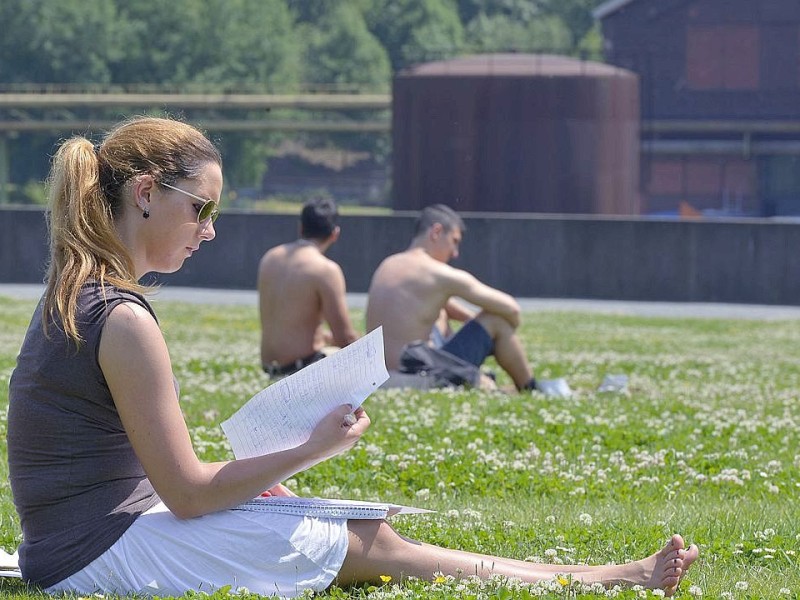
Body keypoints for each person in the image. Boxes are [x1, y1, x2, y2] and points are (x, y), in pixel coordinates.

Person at [6, 116, 697, 598]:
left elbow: (167, 483)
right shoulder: (121, 317)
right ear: (147, 193)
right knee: (361, 544)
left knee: (359, 529)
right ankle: (609, 578)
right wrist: (309, 449)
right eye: (202, 210)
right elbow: (186, 495)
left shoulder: (86, 294)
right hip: (92, 556)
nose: (209, 232)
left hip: (82, 545)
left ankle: (603, 576)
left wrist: (264, 479)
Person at [366, 204, 565, 394]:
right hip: (418, 374)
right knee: (496, 321)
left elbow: (436, 304)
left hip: (384, 375)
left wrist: (470, 321)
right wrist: (489, 329)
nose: (455, 253)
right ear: (436, 232)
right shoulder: (439, 274)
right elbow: (512, 309)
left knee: (441, 313)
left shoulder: (389, 264)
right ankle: (530, 388)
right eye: (454, 241)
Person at [258, 197, 359, 378]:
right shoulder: (325, 269)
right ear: (335, 234)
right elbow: (346, 339)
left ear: (301, 227)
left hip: (270, 369)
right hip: (301, 372)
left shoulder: (270, 258)